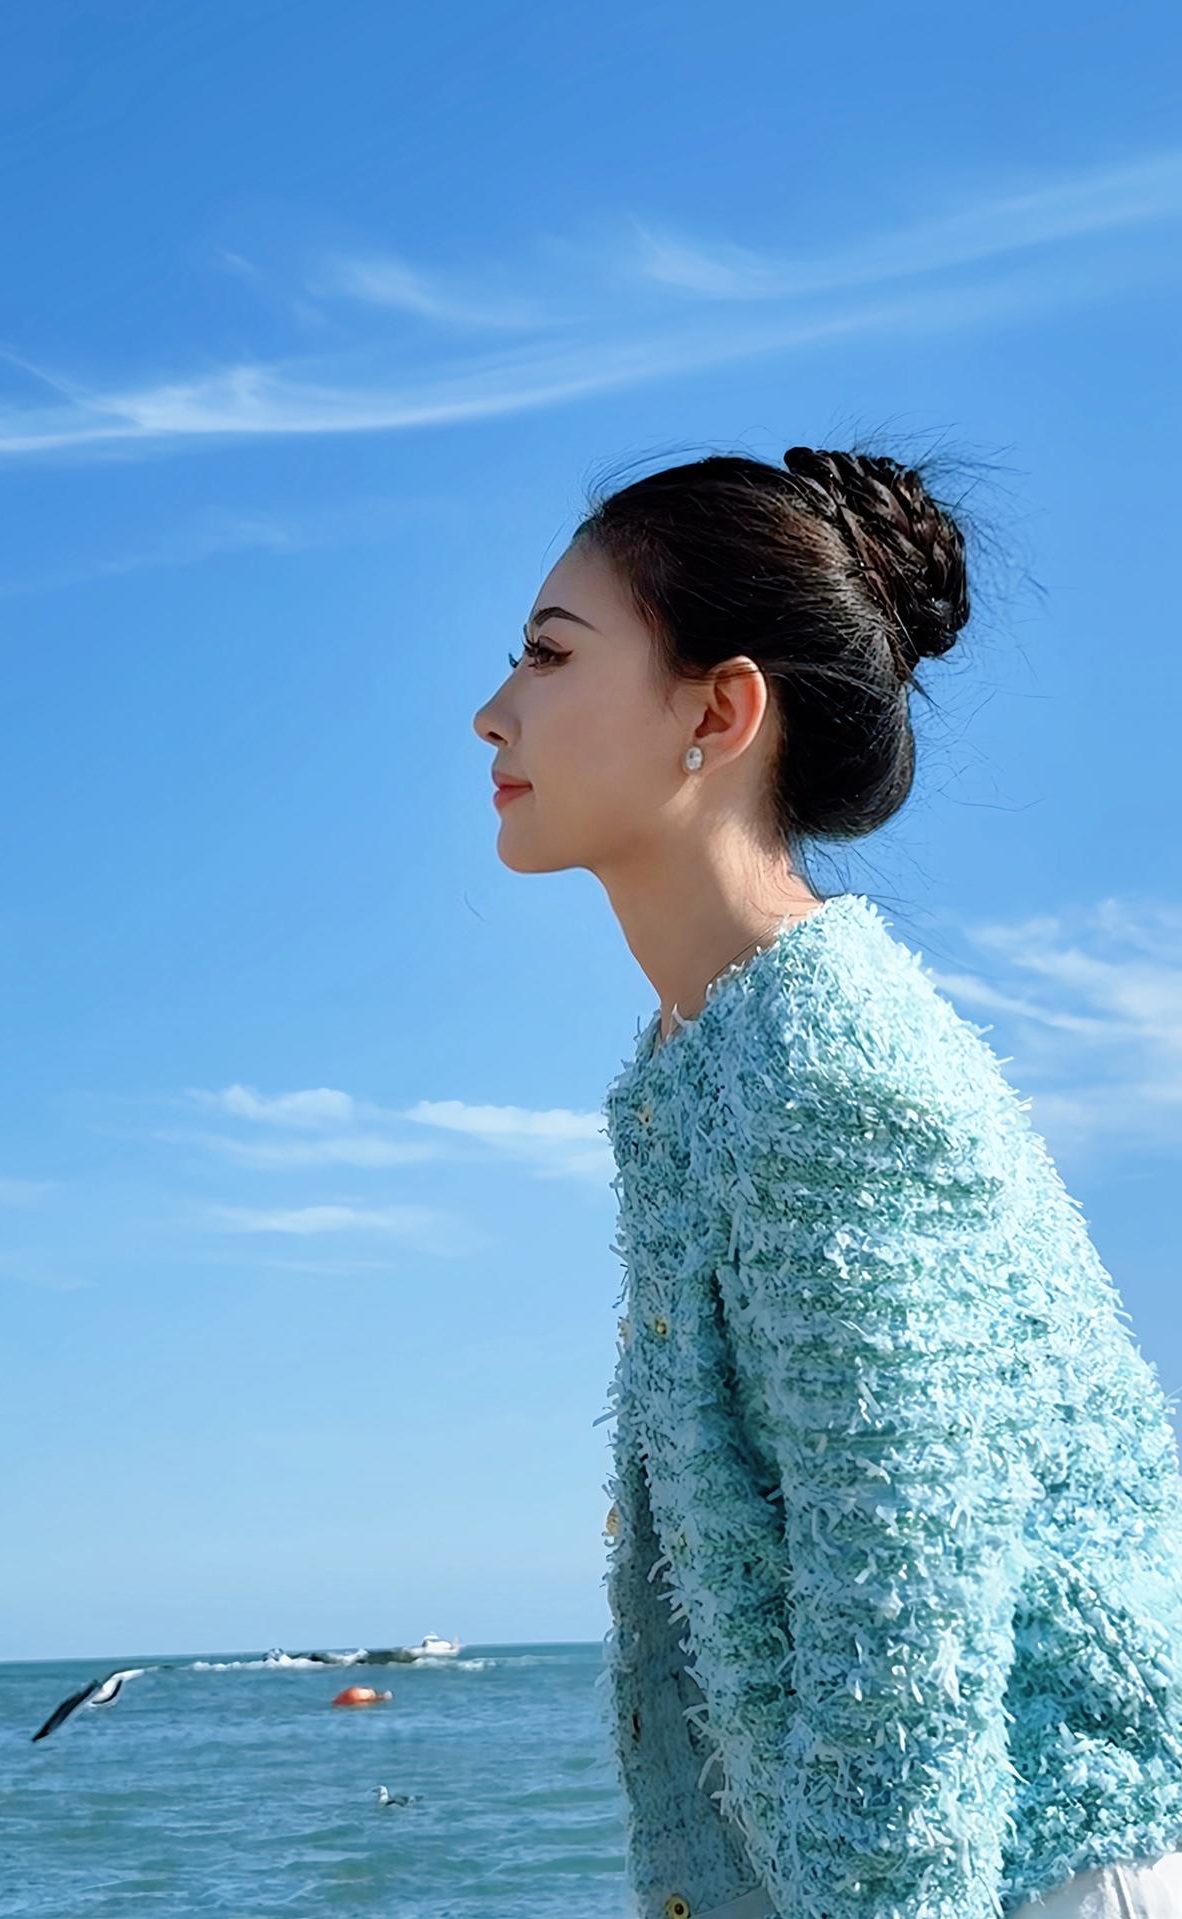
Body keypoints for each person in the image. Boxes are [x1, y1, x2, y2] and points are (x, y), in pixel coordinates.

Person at [472, 445, 1182, 1919]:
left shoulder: (824, 1068)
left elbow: (902, 1642)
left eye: (550, 654)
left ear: (718, 712)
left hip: (1033, 1875)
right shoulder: (710, 1053)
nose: (494, 710)